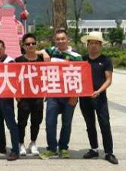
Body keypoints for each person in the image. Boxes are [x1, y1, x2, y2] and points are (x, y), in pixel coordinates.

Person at [39, 29, 82, 159]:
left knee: (66, 123)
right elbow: (31, 51)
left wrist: (75, 95)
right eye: (58, 39)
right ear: (55, 40)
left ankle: (63, 147)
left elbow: (80, 78)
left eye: (63, 38)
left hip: (70, 95)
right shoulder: (52, 51)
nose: (60, 41)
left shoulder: (76, 56)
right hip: (53, 93)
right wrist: (42, 52)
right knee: (50, 122)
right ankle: (52, 148)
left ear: (67, 39)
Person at [79, 32, 118, 165]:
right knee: (90, 124)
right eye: (91, 43)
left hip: (100, 97)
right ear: (87, 45)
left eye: (96, 43)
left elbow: (108, 80)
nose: (93, 46)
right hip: (84, 98)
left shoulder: (105, 60)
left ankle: (108, 152)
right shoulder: (82, 60)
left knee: (104, 124)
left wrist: (98, 91)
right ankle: (94, 149)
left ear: (100, 45)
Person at [0, 39, 20, 161]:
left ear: (4, 48)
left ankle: (15, 150)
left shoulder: (10, 62)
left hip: (6, 98)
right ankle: (1, 145)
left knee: (11, 124)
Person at [14, 34, 44, 156]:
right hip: (24, 97)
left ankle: (33, 142)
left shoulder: (41, 60)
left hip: (38, 96)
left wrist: (44, 54)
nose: (30, 46)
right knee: (22, 122)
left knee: (36, 121)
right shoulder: (18, 60)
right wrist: (16, 93)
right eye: (28, 44)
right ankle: (20, 143)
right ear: (23, 46)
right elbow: (14, 79)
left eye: (33, 43)